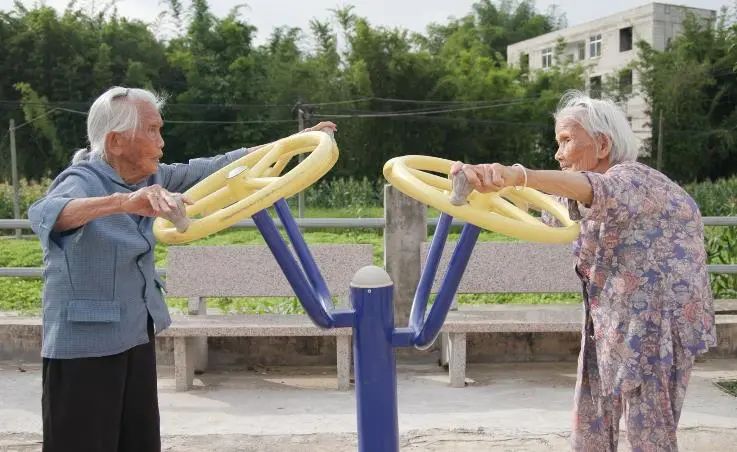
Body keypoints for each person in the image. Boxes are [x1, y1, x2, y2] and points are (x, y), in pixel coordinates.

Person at [28, 86, 336, 452]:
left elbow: (217, 167)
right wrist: (124, 202)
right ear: (115, 142)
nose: (161, 142)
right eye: (152, 130)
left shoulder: (149, 178)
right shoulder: (81, 179)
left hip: (134, 336)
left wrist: (287, 145)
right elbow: (48, 213)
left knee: (139, 443)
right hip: (84, 351)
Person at [452, 90, 716, 451]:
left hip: (656, 328)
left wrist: (519, 174)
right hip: (608, 319)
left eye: (566, 141)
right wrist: (479, 181)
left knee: (649, 434)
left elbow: (595, 188)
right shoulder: (581, 193)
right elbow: (537, 208)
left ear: (602, 145)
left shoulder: (635, 180)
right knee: (590, 421)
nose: (558, 154)